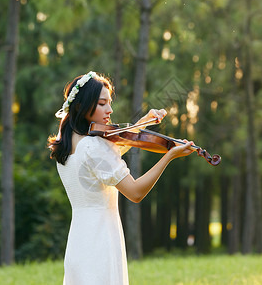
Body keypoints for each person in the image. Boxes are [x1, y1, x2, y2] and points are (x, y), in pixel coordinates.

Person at [47, 71, 194, 285]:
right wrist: (169, 156)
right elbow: (135, 192)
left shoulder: (67, 142)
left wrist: (143, 122)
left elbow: (104, 161)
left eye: (109, 103)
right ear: (81, 106)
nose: (110, 109)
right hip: (100, 240)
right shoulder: (94, 146)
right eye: (102, 104)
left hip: (79, 241)